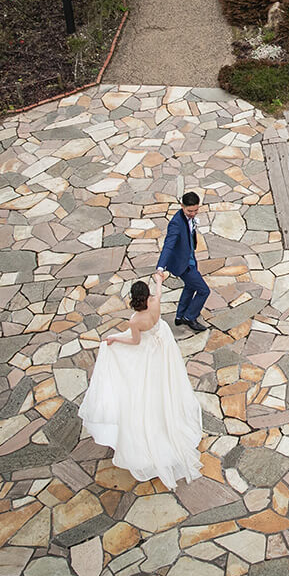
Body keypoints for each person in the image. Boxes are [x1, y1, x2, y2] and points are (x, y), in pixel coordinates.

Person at [78, 276, 203, 489]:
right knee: (165, 383)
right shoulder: (155, 303)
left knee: (144, 388)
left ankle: (151, 429)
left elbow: (135, 341)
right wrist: (159, 281)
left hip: (149, 350)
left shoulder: (135, 321)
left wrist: (115, 338)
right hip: (163, 346)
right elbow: (160, 293)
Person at [156, 191, 211, 332]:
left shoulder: (189, 217)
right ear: (182, 206)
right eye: (190, 211)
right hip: (183, 264)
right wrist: (160, 267)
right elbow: (168, 245)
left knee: (190, 287)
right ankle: (189, 317)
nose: (193, 213)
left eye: (196, 210)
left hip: (190, 258)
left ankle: (180, 316)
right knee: (204, 290)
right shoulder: (176, 223)